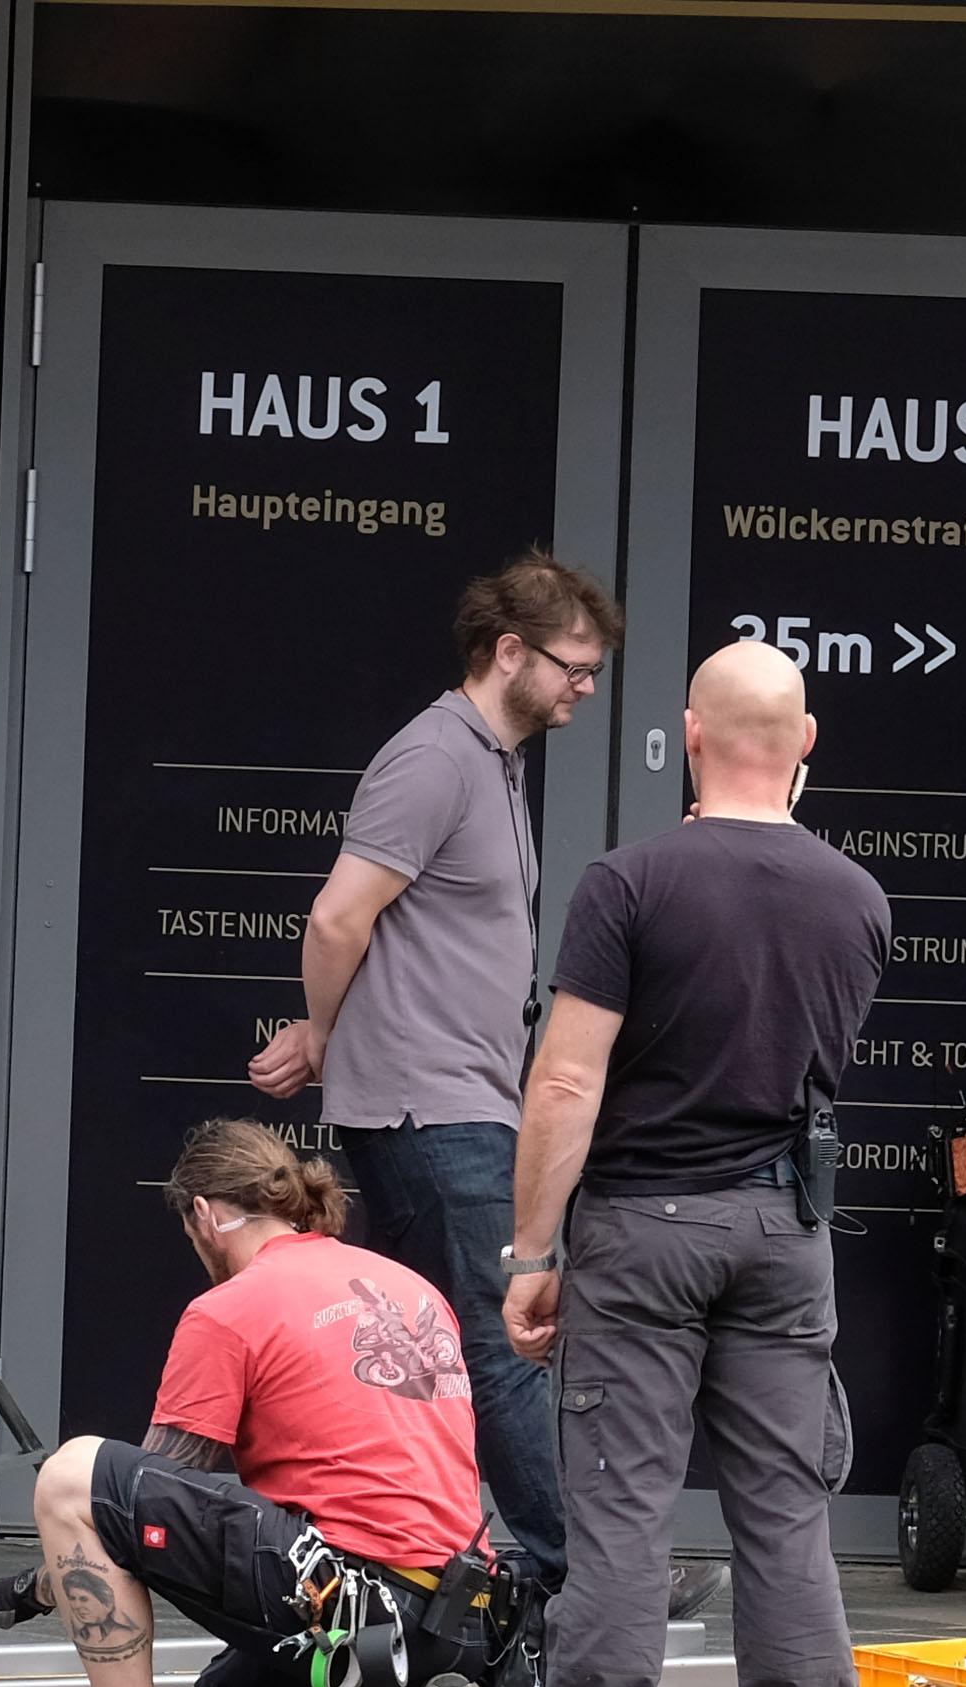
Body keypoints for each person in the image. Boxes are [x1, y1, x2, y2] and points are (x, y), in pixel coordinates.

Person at [447, 639, 889, 1687]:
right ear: (805, 743)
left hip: (643, 1231)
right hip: (785, 1240)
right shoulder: (857, 899)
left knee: (624, 1527)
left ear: (690, 734)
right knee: (788, 1529)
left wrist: (533, 1252)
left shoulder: (629, 882)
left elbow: (569, 1079)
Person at [248, 552, 720, 1626]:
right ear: (507, 652)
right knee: (498, 1344)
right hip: (430, 1106)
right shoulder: (433, 759)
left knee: (450, 1350)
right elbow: (336, 917)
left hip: (453, 1098)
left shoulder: (490, 760)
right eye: (574, 667)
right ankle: (583, 1581)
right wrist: (328, 1033)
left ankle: (477, 1571)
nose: (586, 689)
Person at [0, 1121, 496, 1687]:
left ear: (203, 1215)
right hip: (458, 1614)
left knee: (73, 1475)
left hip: (349, 1593)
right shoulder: (406, 1285)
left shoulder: (230, 1309)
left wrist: (26, 1589)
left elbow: (120, 1520)